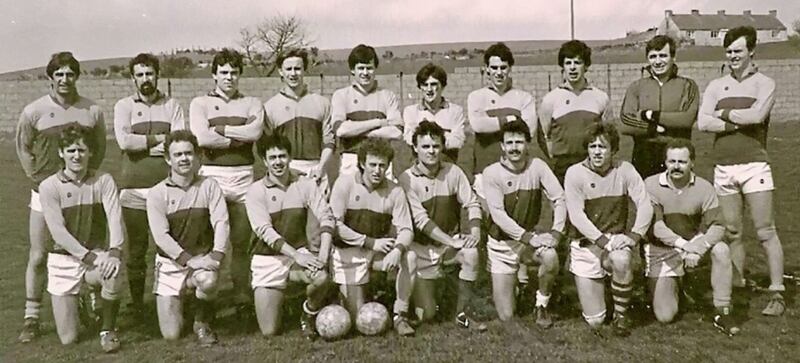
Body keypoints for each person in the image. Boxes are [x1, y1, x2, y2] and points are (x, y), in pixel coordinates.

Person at [15, 51, 106, 342]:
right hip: (45, 193)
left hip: (82, 193)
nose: (65, 79)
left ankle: (94, 304)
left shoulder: (92, 110)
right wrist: (39, 180)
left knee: (91, 248)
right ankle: (31, 316)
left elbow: (100, 148)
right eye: (59, 74)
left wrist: (86, 177)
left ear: (77, 77)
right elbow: (23, 148)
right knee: (40, 254)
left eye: (70, 74)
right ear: (50, 78)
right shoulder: (34, 111)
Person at [697, 26, 785, 316]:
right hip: (723, 165)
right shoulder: (715, 85)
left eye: (738, 50)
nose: (733, 55)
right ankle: (737, 283)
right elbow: (702, 122)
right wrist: (737, 121)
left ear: (751, 51)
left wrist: (721, 114)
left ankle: (777, 293)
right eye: (729, 50)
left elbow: (758, 115)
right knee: (732, 231)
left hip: (754, 165)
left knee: (765, 230)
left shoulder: (764, 83)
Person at [189, 48, 264, 312]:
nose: (229, 77)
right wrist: (238, 136)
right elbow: (201, 138)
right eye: (224, 73)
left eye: (234, 72)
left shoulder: (252, 102)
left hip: (244, 177)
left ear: (240, 75)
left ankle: (241, 293)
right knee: (210, 242)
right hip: (213, 178)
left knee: (242, 242)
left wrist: (220, 130)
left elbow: (255, 132)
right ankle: (207, 298)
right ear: (214, 75)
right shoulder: (200, 103)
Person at [38, 125, 123, 352]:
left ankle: (107, 329)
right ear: (61, 153)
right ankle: (84, 301)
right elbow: (58, 233)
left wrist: (114, 253)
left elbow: (115, 218)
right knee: (69, 338)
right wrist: (89, 257)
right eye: (71, 150)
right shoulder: (48, 186)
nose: (77, 156)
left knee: (113, 271)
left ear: (91, 153)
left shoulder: (103, 180)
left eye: (82, 150)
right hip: (64, 260)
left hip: (95, 254)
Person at [114, 53, 186, 314]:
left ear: (157, 75)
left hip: (167, 189)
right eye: (140, 75)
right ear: (133, 78)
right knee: (136, 248)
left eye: (150, 73)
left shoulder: (172, 105)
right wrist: (159, 140)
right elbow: (124, 142)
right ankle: (137, 304)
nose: (146, 79)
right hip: (133, 188)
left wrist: (142, 143)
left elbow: (178, 143)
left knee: (171, 245)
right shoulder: (124, 106)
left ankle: (173, 299)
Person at [564, 122, 652, 337]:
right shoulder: (574, 173)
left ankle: (621, 315)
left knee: (622, 259)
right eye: (592, 146)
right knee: (595, 321)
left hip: (614, 242)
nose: (596, 152)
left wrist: (634, 236)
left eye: (602, 147)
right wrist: (604, 241)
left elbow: (645, 203)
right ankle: (606, 294)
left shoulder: (625, 170)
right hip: (587, 246)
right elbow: (577, 216)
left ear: (613, 150)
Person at [644, 138, 738, 335]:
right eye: (672, 161)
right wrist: (686, 247)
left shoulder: (704, 188)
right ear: (665, 162)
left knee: (721, 250)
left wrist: (700, 246)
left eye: (682, 162)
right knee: (665, 316)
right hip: (663, 251)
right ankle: (681, 284)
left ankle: (723, 311)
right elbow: (656, 226)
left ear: (692, 162)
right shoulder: (651, 185)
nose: (676, 166)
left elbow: (718, 225)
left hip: (692, 246)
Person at [398, 121, 485, 331]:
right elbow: (421, 221)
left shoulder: (453, 171)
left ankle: (462, 313)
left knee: (471, 253)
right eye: (425, 146)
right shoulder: (407, 179)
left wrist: (474, 231)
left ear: (443, 147)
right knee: (427, 314)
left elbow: (472, 202)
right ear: (415, 149)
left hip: (447, 248)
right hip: (420, 251)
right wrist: (451, 241)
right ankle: (416, 298)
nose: (431, 151)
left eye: (436, 146)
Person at [246, 134, 334, 339]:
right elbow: (264, 232)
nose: (278, 162)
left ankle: (308, 312)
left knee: (321, 277)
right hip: (267, 258)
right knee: (270, 331)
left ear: (290, 157)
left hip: (297, 253)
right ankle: (282, 302)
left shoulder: (305, 183)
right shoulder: (255, 191)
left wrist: (322, 256)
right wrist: (297, 256)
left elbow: (327, 217)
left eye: (282, 156)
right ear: (265, 161)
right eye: (273, 157)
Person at [147, 130, 229, 346]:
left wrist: (216, 256)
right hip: (171, 264)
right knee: (171, 335)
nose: (184, 159)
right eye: (178, 155)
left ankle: (202, 321)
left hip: (202, 259)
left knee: (209, 280)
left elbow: (221, 222)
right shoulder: (157, 193)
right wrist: (189, 261)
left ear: (197, 156)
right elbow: (161, 237)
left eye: (188, 153)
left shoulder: (209, 186)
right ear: (168, 159)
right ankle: (185, 297)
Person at [329, 137, 417, 336]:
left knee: (409, 258)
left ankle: (399, 315)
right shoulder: (344, 183)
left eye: (382, 165)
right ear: (362, 163)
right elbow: (335, 225)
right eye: (373, 165)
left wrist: (397, 250)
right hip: (348, 253)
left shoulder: (395, 191)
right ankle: (362, 295)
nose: (378, 170)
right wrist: (370, 242)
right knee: (356, 318)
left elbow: (406, 229)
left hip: (376, 253)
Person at [482, 120, 566, 327]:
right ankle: (516, 283)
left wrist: (556, 233)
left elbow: (559, 198)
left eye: (519, 142)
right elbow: (498, 215)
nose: (514, 147)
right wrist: (529, 237)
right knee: (507, 316)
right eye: (509, 143)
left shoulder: (537, 166)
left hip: (528, 241)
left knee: (550, 256)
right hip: (502, 245)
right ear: (502, 146)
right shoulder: (491, 173)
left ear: (528, 144)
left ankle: (542, 303)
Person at [619, 35, 699, 178]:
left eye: (663, 56)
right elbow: (625, 123)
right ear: (647, 59)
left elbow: (686, 119)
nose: (657, 61)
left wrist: (648, 115)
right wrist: (653, 128)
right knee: (645, 199)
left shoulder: (688, 85)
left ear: (673, 57)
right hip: (644, 156)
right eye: (653, 56)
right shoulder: (636, 87)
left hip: (678, 155)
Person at [467, 42, 536, 200]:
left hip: (517, 170)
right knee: (487, 220)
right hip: (484, 169)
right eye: (494, 68)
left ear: (510, 69)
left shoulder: (524, 98)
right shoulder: (476, 97)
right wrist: (511, 119)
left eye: (503, 67)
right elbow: (478, 125)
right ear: (487, 69)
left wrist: (492, 123)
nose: (499, 72)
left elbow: (528, 131)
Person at [538, 40, 609, 182]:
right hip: (562, 168)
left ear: (586, 66)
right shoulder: (550, 99)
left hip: (593, 165)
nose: (572, 68)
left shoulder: (600, 97)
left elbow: (609, 135)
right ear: (562, 67)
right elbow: (544, 136)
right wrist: (555, 159)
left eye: (577, 63)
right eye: (568, 63)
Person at [263, 48, 334, 184]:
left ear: (304, 70)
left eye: (297, 68)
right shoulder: (270, 107)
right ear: (280, 71)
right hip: (284, 171)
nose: (293, 73)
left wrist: (321, 168)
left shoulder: (322, 103)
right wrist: (286, 170)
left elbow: (329, 142)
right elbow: (266, 148)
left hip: (317, 170)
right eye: (288, 69)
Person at [331, 44, 403, 178]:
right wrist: (378, 122)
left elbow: (397, 132)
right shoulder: (341, 95)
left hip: (381, 160)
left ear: (375, 68)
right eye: (361, 68)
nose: (365, 73)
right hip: (351, 159)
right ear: (353, 70)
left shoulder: (387, 95)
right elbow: (341, 130)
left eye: (369, 68)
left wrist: (356, 130)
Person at [402, 63, 466, 163]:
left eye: (433, 84)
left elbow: (457, 142)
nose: (429, 89)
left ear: (443, 86)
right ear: (420, 87)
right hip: (420, 167)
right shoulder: (410, 112)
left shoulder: (455, 111)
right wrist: (445, 135)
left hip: (447, 166)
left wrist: (423, 137)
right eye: (425, 85)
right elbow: (409, 139)